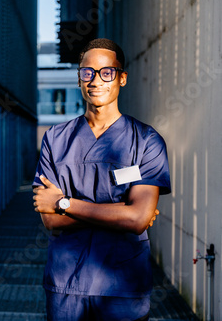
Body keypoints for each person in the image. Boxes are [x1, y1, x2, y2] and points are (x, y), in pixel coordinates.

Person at [32, 38, 171, 321]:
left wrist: (65, 202)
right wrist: (121, 213)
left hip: (123, 285)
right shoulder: (56, 139)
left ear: (122, 78)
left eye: (107, 72)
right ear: (79, 79)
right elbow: (50, 219)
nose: (96, 80)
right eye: (87, 72)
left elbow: (137, 220)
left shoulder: (146, 141)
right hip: (66, 286)